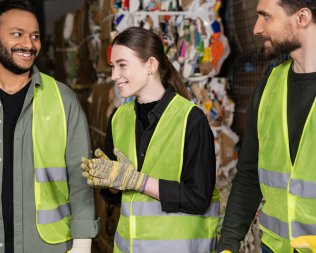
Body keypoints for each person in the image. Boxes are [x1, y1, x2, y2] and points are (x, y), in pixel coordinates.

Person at [0, 1, 98, 253]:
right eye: (17, 34)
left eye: (34, 36)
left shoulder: (63, 99)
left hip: (49, 247)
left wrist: (82, 245)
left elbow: (81, 178)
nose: (29, 44)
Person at [81, 26, 220, 253]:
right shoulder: (118, 118)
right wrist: (110, 182)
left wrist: (137, 181)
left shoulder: (190, 120)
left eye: (122, 65)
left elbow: (198, 198)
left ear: (151, 65)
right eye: (113, 67)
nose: (114, 75)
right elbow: (115, 197)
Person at [218, 0, 316, 252]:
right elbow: (249, 176)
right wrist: (227, 245)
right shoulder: (268, 87)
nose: (256, 29)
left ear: (302, 18)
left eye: (266, 17)